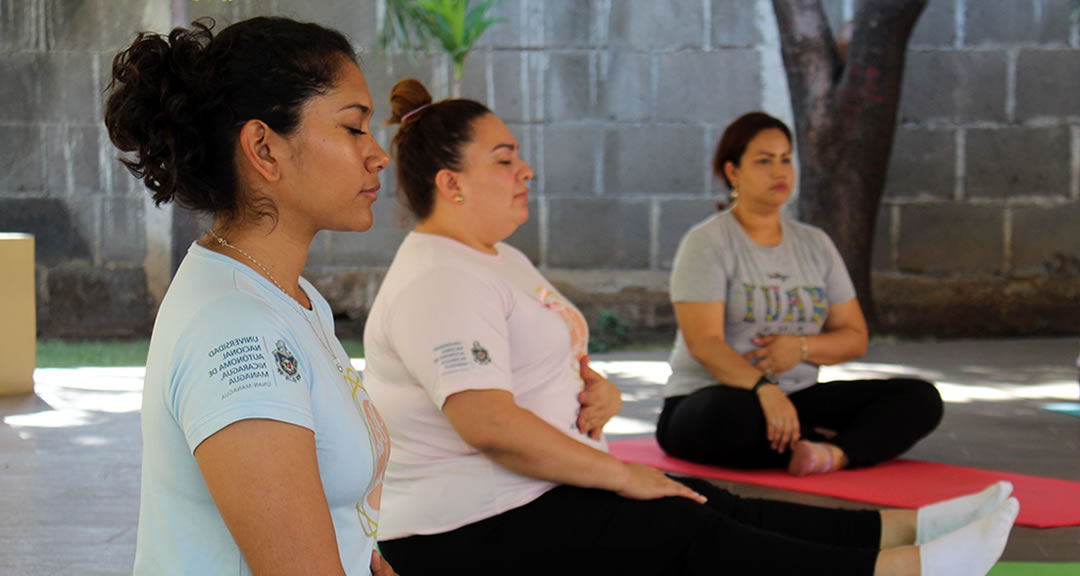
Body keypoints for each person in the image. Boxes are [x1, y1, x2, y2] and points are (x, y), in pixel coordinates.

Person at [361, 79, 1017, 576]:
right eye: (504, 160)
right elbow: (488, 423)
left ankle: (907, 532)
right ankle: (903, 571)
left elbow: (540, 356)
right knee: (677, 522)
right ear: (451, 183)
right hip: (463, 528)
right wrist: (618, 473)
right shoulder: (438, 278)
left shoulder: (496, 256)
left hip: (522, 492)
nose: (525, 170)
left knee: (709, 501)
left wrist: (599, 390)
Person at [105, 17, 394, 575]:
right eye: (354, 128)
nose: (377, 154)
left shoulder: (291, 299)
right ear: (264, 148)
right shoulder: (236, 327)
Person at [656, 111, 944, 477]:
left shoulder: (815, 244)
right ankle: (831, 442)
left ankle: (831, 453)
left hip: (796, 398)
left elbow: (854, 337)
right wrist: (764, 388)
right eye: (764, 161)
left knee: (920, 398)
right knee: (729, 416)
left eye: (786, 160)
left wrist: (801, 348)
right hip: (712, 397)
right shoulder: (706, 242)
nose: (779, 172)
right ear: (733, 172)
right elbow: (705, 344)